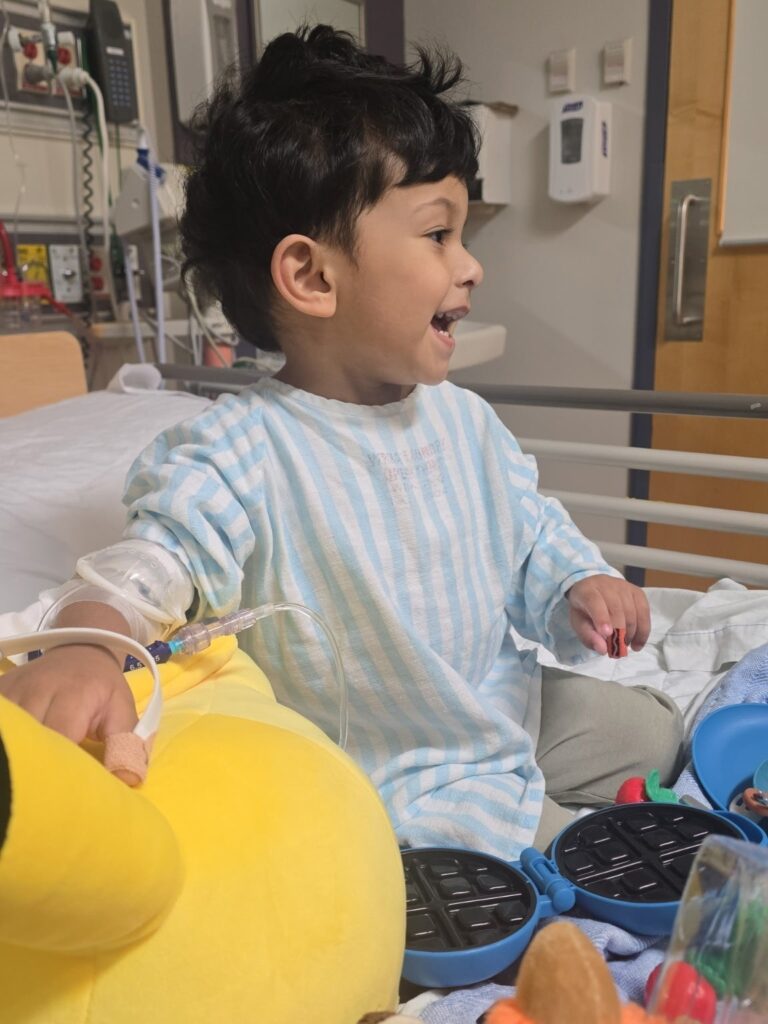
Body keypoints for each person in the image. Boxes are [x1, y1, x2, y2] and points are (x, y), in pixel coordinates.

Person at [0, 26, 682, 859]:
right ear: (314, 278)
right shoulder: (245, 454)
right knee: (584, 858)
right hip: (391, 772)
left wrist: (580, 582)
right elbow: (148, 564)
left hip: (502, 707)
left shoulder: (463, 421)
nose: (470, 267)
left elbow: (530, 531)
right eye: (439, 235)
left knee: (648, 730)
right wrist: (85, 645)